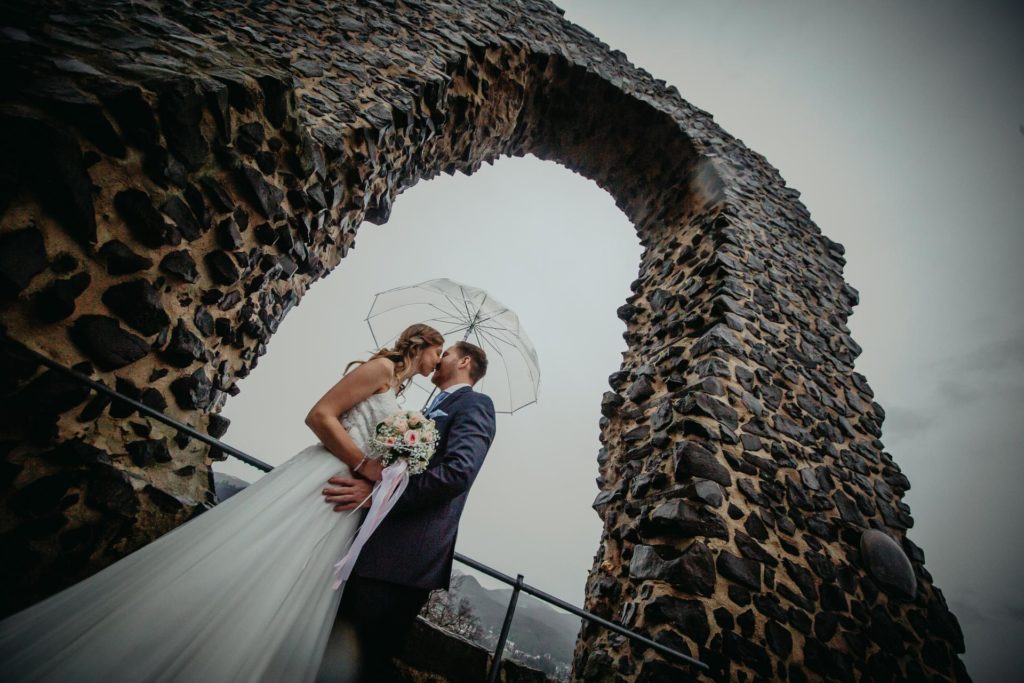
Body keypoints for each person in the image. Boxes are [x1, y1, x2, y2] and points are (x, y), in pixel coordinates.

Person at [0, 324, 445, 682]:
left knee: (287, 583)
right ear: (421, 344)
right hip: (319, 478)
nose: (437, 362)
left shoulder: (400, 389)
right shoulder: (381, 368)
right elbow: (319, 415)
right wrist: (364, 463)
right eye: (436, 353)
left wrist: (385, 469)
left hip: (343, 497)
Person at [319, 340, 497, 682]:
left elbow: (457, 473)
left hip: (404, 558)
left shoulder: (475, 404)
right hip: (375, 548)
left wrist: (379, 496)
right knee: (339, 654)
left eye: (446, 354)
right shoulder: (430, 410)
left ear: (465, 362)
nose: (439, 358)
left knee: (362, 661)